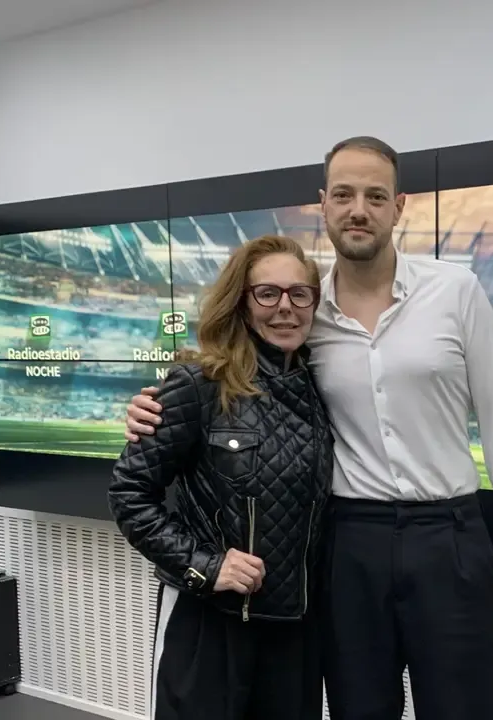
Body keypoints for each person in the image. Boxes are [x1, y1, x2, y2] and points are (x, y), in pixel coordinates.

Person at [124, 136, 493, 720]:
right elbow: (228, 361)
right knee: (357, 710)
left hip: (448, 535)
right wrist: (151, 401)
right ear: (324, 205)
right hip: (348, 543)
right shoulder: (302, 304)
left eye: (375, 195)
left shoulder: (455, 292)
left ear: (399, 207)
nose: (358, 209)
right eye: (343, 194)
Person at [108, 234, 333, 720]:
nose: (285, 308)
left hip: (295, 635)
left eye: (300, 293)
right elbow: (129, 494)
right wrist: (206, 567)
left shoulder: (324, 388)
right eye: (267, 293)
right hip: (210, 625)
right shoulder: (197, 385)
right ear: (242, 303)